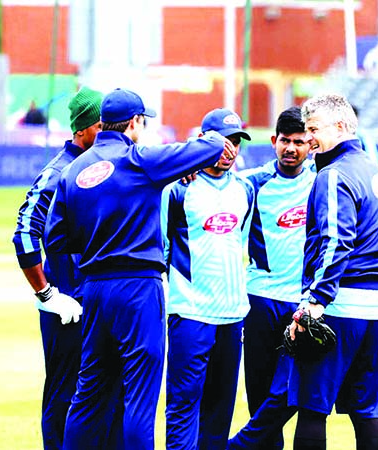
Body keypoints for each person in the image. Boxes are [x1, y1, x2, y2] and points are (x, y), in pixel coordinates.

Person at [43, 88, 237, 450]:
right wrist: (207, 142)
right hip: (138, 288)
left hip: (95, 289)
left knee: (88, 396)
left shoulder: (74, 170)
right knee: (140, 397)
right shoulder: (140, 160)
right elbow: (209, 148)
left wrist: (97, 244)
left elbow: (54, 239)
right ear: (134, 122)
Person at [286, 93, 378, 450]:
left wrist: (315, 301)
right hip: (376, 310)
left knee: (311, 408)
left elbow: (335, 241)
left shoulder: (333, 174)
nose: (309, 137)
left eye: (314, 129)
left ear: (340, 127)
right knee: (366, 412)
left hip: (337, 307)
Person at [12, 86, 102, 450]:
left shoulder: (105, 167)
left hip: (98, 301)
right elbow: (23, 233)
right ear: (81, 129)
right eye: (101, 125)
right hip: (67, 307)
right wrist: (48, 294)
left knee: (102, 395)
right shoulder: (59, 173)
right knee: (65, 395)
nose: (111, 132)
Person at [162, 108, 254, 449]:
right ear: (203, 142)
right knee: (184, 405)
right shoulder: (177, 190)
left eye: (235, 142)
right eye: (221, 142)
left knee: (220, 410)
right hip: (191, 314)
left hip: (232, 315)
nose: (230, 150)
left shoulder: (245, 189)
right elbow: (163, 249)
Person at [227, 106, 314, 450]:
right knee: (260, 393)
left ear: (311, 145)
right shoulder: (253, 183)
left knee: (293, 392)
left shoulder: (321, 181)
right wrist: (190, 173)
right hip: (260, 299)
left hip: (303, 302)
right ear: (274, 141)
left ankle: (240, 446)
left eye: (299, 142)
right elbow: (215, 186)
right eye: (285, 141)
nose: (291, 148)